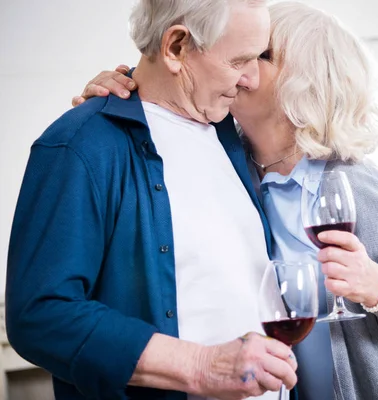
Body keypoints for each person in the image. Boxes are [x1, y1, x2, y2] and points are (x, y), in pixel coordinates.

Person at [76, 2, 378, 399]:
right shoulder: (228, 164)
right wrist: (124, 90)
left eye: (260, 55)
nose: (239, 64)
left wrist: (375, 284)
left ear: (306, 82)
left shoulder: (349, 183)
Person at [6, 1, 298, 400]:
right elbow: (40, 314)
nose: (250, 78)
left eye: (259, 57)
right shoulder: (80, 145)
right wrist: (200, 366)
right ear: (176, 47)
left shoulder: (229, 130)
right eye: (239, 60)